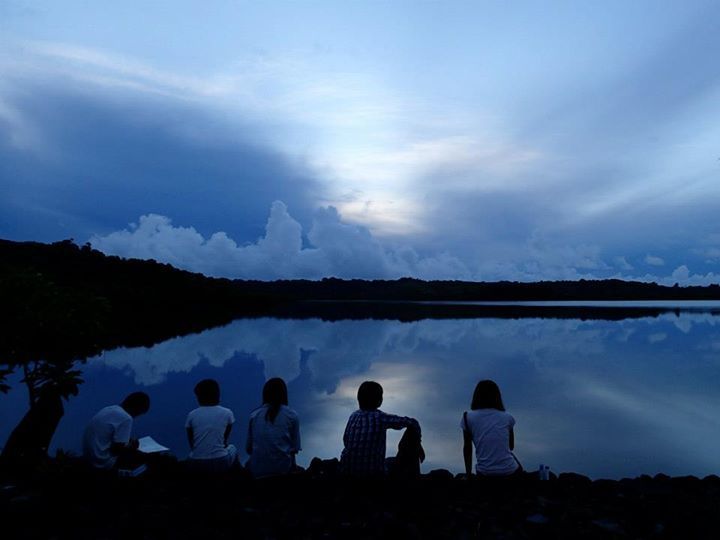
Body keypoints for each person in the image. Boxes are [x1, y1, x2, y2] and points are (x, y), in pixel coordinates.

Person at [340, 380, 421, 475]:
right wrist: (418, 442)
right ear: (379, 400)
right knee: (412, 430)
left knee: (389, 461)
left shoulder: (353, 416)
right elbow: (412, 422)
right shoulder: (380, 417)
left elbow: (346, 440)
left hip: (348, 471)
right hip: (374, 473)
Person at [461, 380, 521, 477]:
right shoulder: (507, 417)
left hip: (484, 472)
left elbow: (467, 449)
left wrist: (468, 474)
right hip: (510, 471)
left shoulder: (467, 417)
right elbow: (510, 446)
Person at [246, 378, 301, 478]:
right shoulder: (292, 416)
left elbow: (249, 449)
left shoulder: (254, 416)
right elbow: (294, 450)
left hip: (258, 471)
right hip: (282, 470)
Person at [82, 391, 150, 469]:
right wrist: (131, 446)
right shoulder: (126, 418)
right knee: (146, 459)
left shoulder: (109, 409)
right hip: (101, 460)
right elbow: (116, 450)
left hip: (89, 456)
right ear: (137, 409)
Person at [185, 379, 237, 472]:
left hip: (196, 461)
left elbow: (191, 442)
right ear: (218, 395)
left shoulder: (191, 415)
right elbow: (225, 439)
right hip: (220, 461)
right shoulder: (227, 413)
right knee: (233, 448)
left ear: (199, 397)